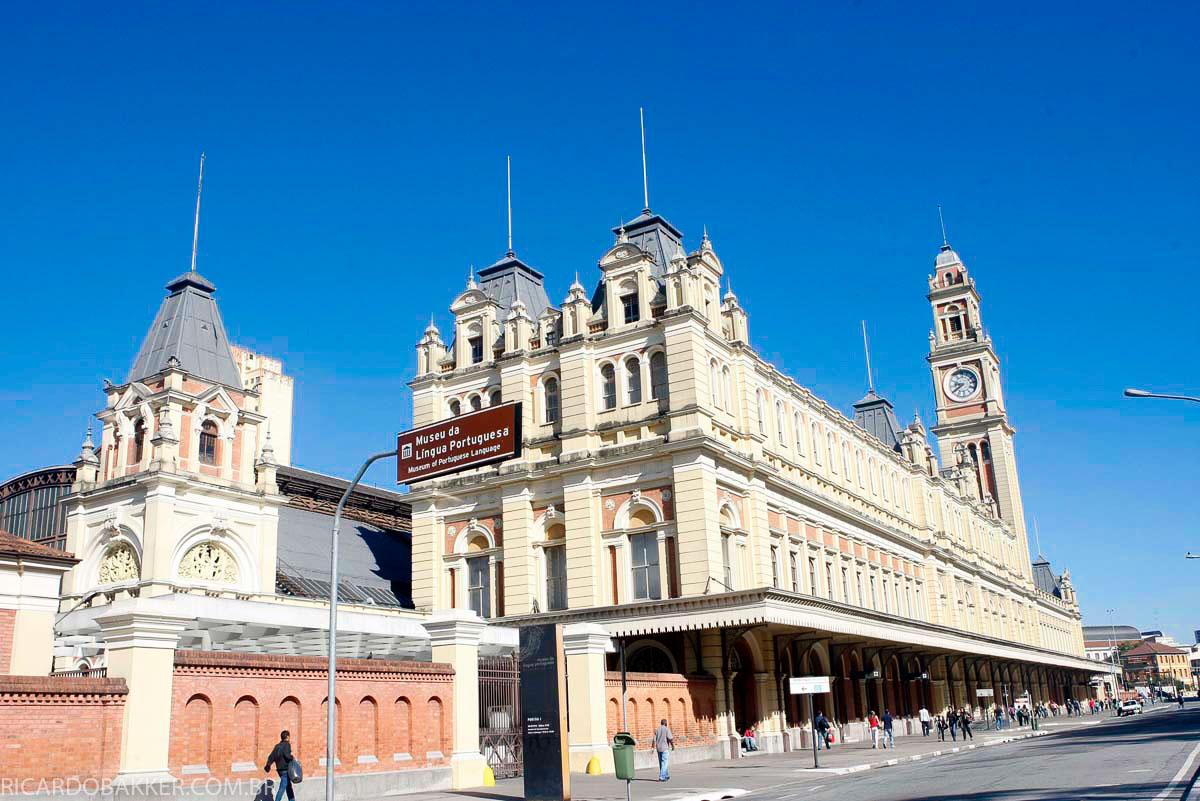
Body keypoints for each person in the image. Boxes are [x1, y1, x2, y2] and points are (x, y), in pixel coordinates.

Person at [264, 730, 294, 801]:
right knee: (282, 787)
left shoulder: (277, 746)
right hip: (285, 770)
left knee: (288, 787)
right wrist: (291, 757)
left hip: (279, 770)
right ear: (287, 737)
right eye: (289, 736)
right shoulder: (287, 744)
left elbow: (271, 757)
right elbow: (287, 756)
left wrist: (268, 765)